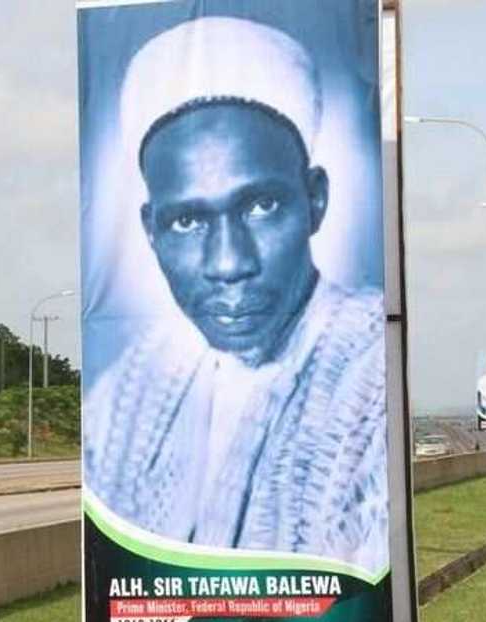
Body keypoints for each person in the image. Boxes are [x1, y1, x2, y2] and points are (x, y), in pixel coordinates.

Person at [84, 17, 387, 574]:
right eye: (188, 221)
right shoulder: (127, 391)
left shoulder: (370, 378)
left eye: (260, 206)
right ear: (150, 230)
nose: (229, 262)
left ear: (314, 200)